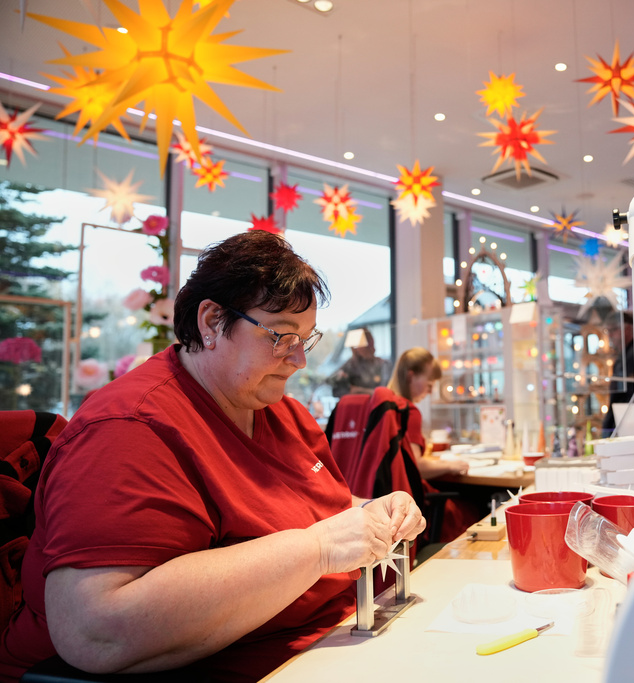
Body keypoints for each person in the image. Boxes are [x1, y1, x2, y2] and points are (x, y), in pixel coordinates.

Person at [0, 231, 425, 682]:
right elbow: (96, 630)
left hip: (332, 641)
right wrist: (318, 550)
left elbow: (323, 509)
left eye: (306, 338)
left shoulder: (280, 412)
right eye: (281, 336)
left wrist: (374, 511)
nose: (299, 359)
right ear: (211, 321)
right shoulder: (129, 428)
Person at [388, 348, 468, 481]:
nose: (430, 392)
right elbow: (417, 466)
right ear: (410, 376)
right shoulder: (409, 412)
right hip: (408, 495)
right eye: (429, 385)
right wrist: (449, 466)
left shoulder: (385, 406)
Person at [330, 327, 391, 397]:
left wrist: (359, 390)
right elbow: (335, 389)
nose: (357, 348)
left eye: (360, 344)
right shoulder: (350, 365)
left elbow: (384, 393)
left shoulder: (384, 364)